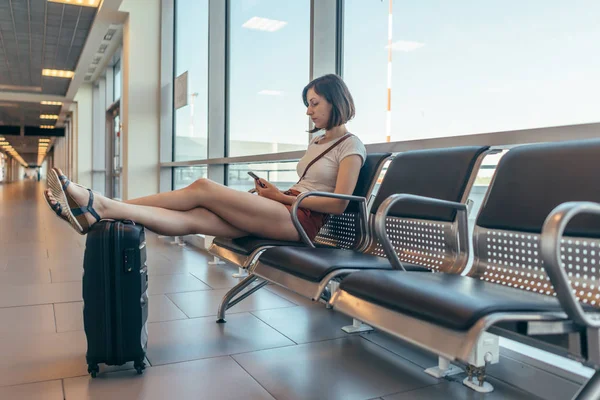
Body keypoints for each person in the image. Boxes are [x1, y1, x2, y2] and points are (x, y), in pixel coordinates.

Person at [44, 74, 367, 243]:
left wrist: (281, 196)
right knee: (195, 217)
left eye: (314, 103)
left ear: (334, 101)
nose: (308, 111)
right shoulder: (317, 142)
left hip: (300, 221)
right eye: (308, 104)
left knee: (202, 186)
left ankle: (101, 205)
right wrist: (277, 195)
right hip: (284, 208)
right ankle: (102, 213)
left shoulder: (351, 146)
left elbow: (339, 203)